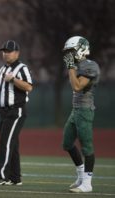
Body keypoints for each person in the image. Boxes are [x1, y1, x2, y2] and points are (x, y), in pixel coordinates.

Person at [0, 40, 33, 186]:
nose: (5, 54)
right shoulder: (2, 69)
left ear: (17, 53)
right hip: (4, 112)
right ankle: (15, 177)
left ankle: (0, 175)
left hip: (15, 110)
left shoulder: (21, 68)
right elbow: (4, 91)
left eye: (9, 51)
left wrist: (13, 79)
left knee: (5, 143)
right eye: (4, 51)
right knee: (12, 144)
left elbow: (28, 87)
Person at [62, 36, 100, 193]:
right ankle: (80, 176)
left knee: (87, 147)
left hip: (85, 110)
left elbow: (77, 86)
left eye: (71, 51)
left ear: (80, 49)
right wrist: (72, 66)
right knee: (67, 143)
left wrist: (70, 66)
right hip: (75, 110)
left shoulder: (90, 66)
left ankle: (87, 183)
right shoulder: (79, 66)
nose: (69, 55)